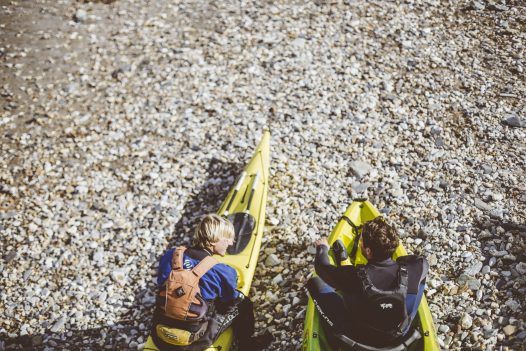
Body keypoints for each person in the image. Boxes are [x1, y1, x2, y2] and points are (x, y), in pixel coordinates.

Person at [151, 214, 273, 351]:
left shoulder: (171, 255)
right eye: (228, 239)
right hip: (193, 342)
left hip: (159, 336)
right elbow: (229, 303)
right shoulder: (223, 271)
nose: (231, 243)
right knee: (243, 304)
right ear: (214, 240)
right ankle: (247, 345)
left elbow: (161, 283)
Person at [307, 217, 428, 348]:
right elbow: (415, 260)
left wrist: (322, 248)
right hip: (398, 335)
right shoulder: (417, 267)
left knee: (315, 284)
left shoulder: (352, 276)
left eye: (361, 241)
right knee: (419, 281)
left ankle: (334, 341)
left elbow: (321, 266)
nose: (360, 243)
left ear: (369, 251)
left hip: (360, 337)